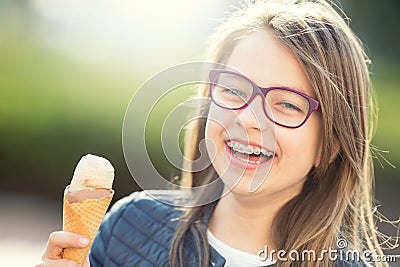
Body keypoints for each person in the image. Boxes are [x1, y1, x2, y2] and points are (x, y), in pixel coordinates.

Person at [36, 0, 391, 266]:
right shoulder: (128, 225)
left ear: (328, 147)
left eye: (287, 105)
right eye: (234, 90)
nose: (249, 120)